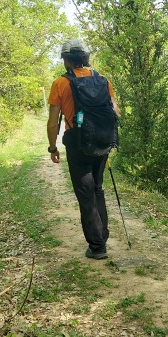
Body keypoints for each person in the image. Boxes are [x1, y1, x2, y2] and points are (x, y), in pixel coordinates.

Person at [46, 39, 120, 260]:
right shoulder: (103, 80)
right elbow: (115, 112)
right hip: (102, 142)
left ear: (66, 59)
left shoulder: (60, 83)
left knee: (86, 193)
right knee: (97, 189)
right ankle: (102, 237)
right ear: (85, 58)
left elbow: (53, 123)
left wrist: (53, 147)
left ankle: (97, 246)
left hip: (77, 144)